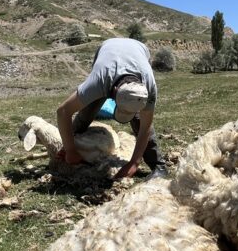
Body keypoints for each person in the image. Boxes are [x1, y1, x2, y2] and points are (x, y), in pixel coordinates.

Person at [56, 38, 167, 179]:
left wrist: (134, 163)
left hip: (139, 50)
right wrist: (70, 148)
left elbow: (146, 127)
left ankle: (159, 166)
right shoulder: (99, 81)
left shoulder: (149, 87)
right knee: (88, 110)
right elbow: (63, 111)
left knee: (140, 121)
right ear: (113, 92)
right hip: (107, 49)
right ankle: (69, 146)